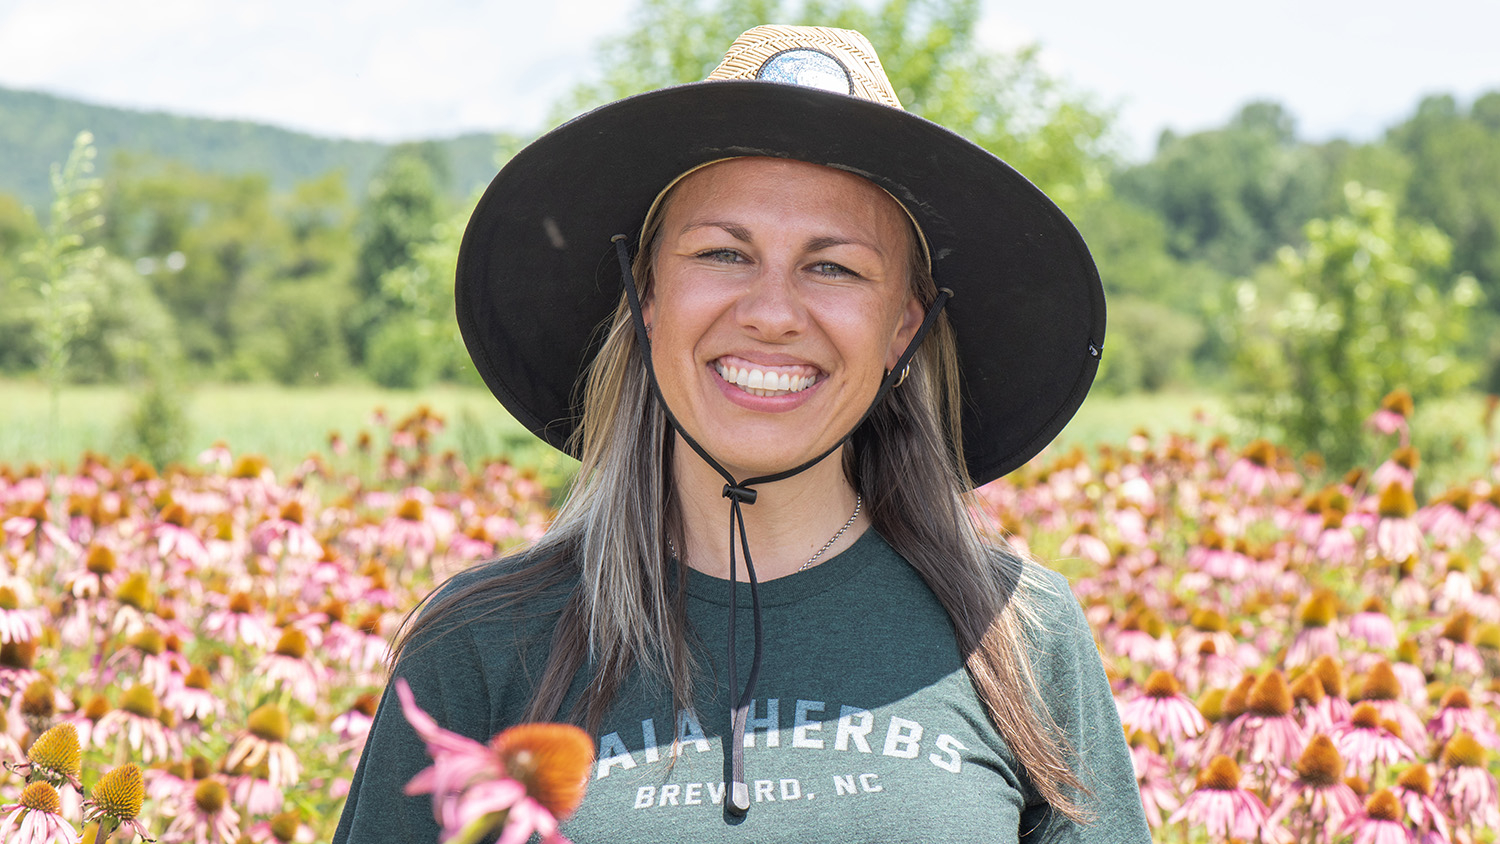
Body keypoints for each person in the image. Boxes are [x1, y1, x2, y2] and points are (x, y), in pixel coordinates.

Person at [334, 24, 1149, 843]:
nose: (770, 313)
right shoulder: (482, 642)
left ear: (905, 326)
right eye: (724, 253)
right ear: (647, 298)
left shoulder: (1019, 634)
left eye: (834, 267)